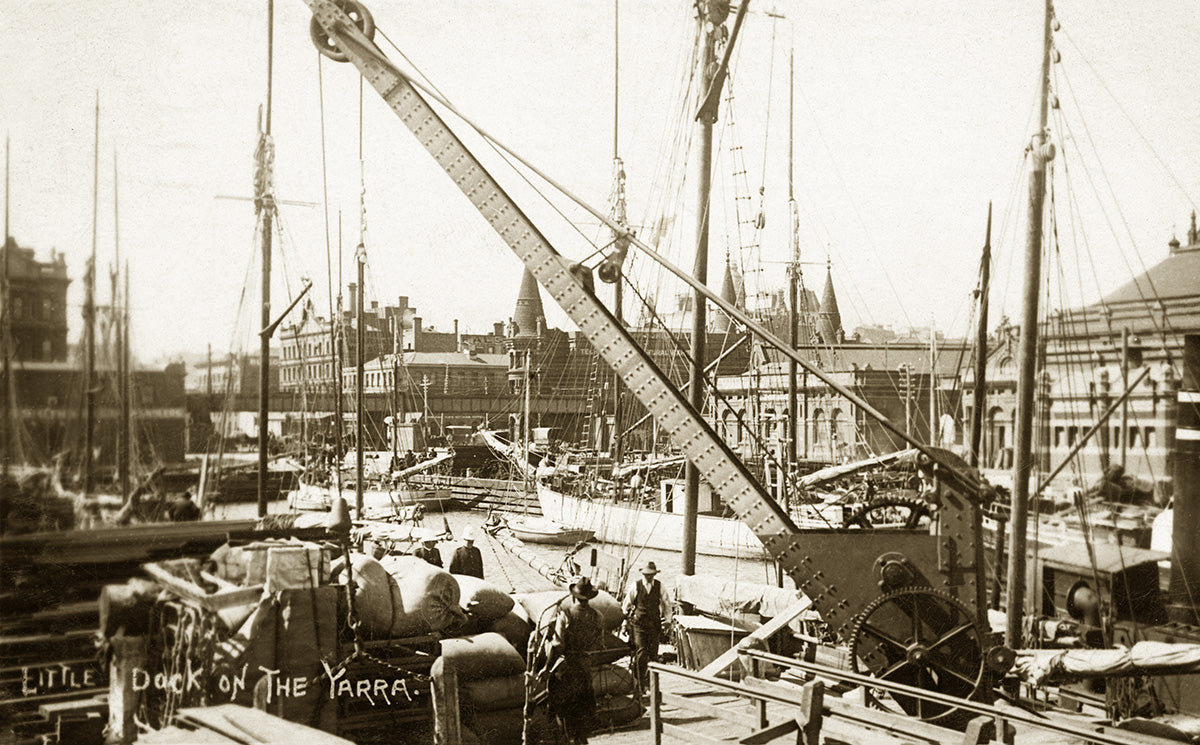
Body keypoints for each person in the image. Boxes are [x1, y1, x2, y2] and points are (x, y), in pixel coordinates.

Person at [546, 576, 603, 745]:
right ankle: (581, 738)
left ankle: (566, 738)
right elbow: (599, 644)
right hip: (585, 666)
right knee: (583, 703)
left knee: (561, 703)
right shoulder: (597, 616)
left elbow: (558, 644)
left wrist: (548, 661)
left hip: (567, 666)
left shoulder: (565, 615)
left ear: (574, 596)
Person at [622, 561, 671, 693]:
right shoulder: (636, 586)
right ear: (643, 574)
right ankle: (638, 681)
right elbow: (626, 604)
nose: (648, 577)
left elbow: (666, 604)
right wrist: (624, 622)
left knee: (653, 655)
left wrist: (668, 620)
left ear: (654, 574)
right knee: (642, 652)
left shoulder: (660, 586)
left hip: (654, 625)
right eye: (646, 575)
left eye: (651, 575)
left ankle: (650, 684)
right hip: (639, 625)